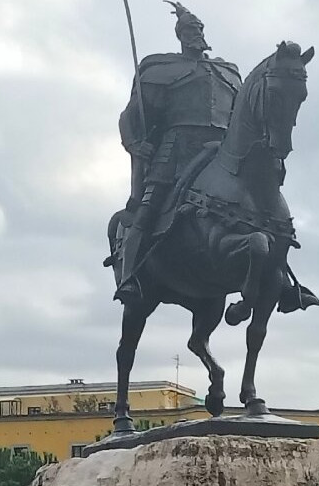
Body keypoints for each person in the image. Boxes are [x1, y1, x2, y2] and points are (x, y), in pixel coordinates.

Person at [114, 1, 242, 305]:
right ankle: (129, 275)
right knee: (149, 208)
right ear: (180, 35)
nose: (195, 33)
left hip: (221, 154)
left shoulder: (228, 72)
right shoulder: (161, 70)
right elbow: (130, 117)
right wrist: (135, 144)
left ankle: (284, 280)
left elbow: (240, 117)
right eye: (189, 29)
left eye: (198, 28)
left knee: (255, 205)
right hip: (176, 152)